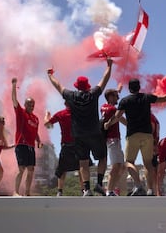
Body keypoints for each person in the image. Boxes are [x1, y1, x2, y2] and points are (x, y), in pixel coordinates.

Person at [47, 58, 113, 196]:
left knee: (83, 162)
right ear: (88, 86)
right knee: (102, 157)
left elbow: (58, 85)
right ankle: (99, 184)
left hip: (78, 135)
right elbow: (104, 79)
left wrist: (50, 75)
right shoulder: (93, 94)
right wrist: (109, 65)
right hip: (94, 132)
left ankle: (87, 189)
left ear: (77, 86)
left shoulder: (71, 96)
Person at [104, 78, 166, 196]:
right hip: (147, 135)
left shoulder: (125, 101)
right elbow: (164, 98)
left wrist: (107, 124)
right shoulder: (147, 97)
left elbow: (117, 116)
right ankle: (151, 190)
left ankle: (138, 185)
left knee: (128, 162)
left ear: (129, 88)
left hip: (133, 135)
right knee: (148, 163)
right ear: (139, 87)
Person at [44, 102, 84, 196]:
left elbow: (47, 124)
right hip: (77, 144)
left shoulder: (60, 114)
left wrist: (46, 116)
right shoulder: (79, 113)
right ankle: (84, 190)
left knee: (63, 169)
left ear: (65, 103)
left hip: (67, 144)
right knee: (81, 167)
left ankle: (60, 191)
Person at [11, 78, 41, 196]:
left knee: (31, 170)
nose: (31, 106)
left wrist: (39, 141)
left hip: (31, 147)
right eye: (29, 104)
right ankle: (16, 192)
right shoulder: (21, 112)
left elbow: (35, 132)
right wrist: (14, 85)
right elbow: (14, 99)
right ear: (25, 104)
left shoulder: (36, 118)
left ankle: (27, 192)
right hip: (21, 144)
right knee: (21, 169)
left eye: (33, 104)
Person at [101, 88, 127, 196]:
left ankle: (111, 189)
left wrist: (117, 89)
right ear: (111, 97)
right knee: (116, 166)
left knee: (121, 166)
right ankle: (109, 190)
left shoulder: (103, 107)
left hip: (112, 140)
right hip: (113, 140)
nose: (118, 98)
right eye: (116, 96)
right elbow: (121, 119)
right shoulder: (112, 110)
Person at [149, 113, 160, 196]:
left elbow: (151, 130)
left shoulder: (149, 117)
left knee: (150, 166)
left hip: (151, 144)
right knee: (154, 167)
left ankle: (151, 190)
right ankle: (156, 191)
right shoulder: (154, 118)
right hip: (154, 144)